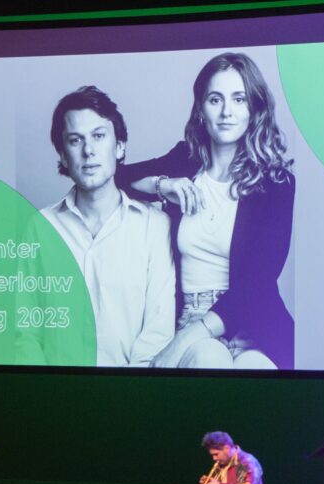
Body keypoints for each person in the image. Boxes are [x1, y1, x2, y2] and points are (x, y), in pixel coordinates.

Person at [120, 52, 295, 369]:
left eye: (239, 99)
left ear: (254, 108)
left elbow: (258, 280)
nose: (227, 112)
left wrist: (185, 340)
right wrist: (164, 185)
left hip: (254, 326)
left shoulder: (276, 184)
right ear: (201, 109)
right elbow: (116, 177)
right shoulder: (184, 162)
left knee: (256, 373)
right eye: (216, 100)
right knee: (209, 360)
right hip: (191, 317)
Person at [21, 85, 175, 367]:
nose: (88, 151)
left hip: (132, 388)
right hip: (54, 388)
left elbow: (158, 330)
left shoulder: (154, 227)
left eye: (99, 136)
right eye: (75, 140)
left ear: (119, 147)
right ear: (63, 155)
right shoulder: (40, 227)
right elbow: (27, 332)